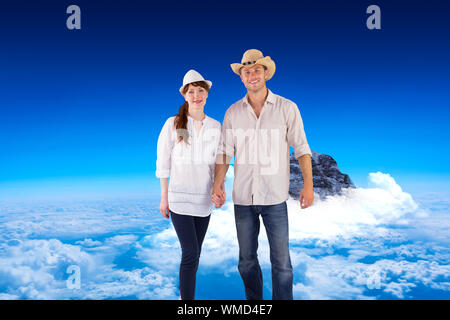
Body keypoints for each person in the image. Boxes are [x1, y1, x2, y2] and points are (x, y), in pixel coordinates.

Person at [212, 49, 314, 300]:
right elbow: (225, 151)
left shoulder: (287, 108)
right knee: (246, 262)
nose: (251, 75)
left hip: (275, 199)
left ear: (266, 73)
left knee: (282, 265)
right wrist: (218, 184)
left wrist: (309, 186)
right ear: (242, 78)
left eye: (256, 70)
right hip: (243, 200)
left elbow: (301, 148)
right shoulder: (233, 112)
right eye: (246, 72)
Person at [156, 69, 222, 300]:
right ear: (184, 95)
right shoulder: (173, 124)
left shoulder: (215, 126)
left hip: (203, 200)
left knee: (196, 254)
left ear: (207, 94)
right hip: (179, 199)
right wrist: (164, 197)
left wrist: (218, 189)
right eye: (191, 91)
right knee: (190, 253)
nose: (196, 95)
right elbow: (163, 162)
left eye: (200, 91)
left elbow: (217, 163)